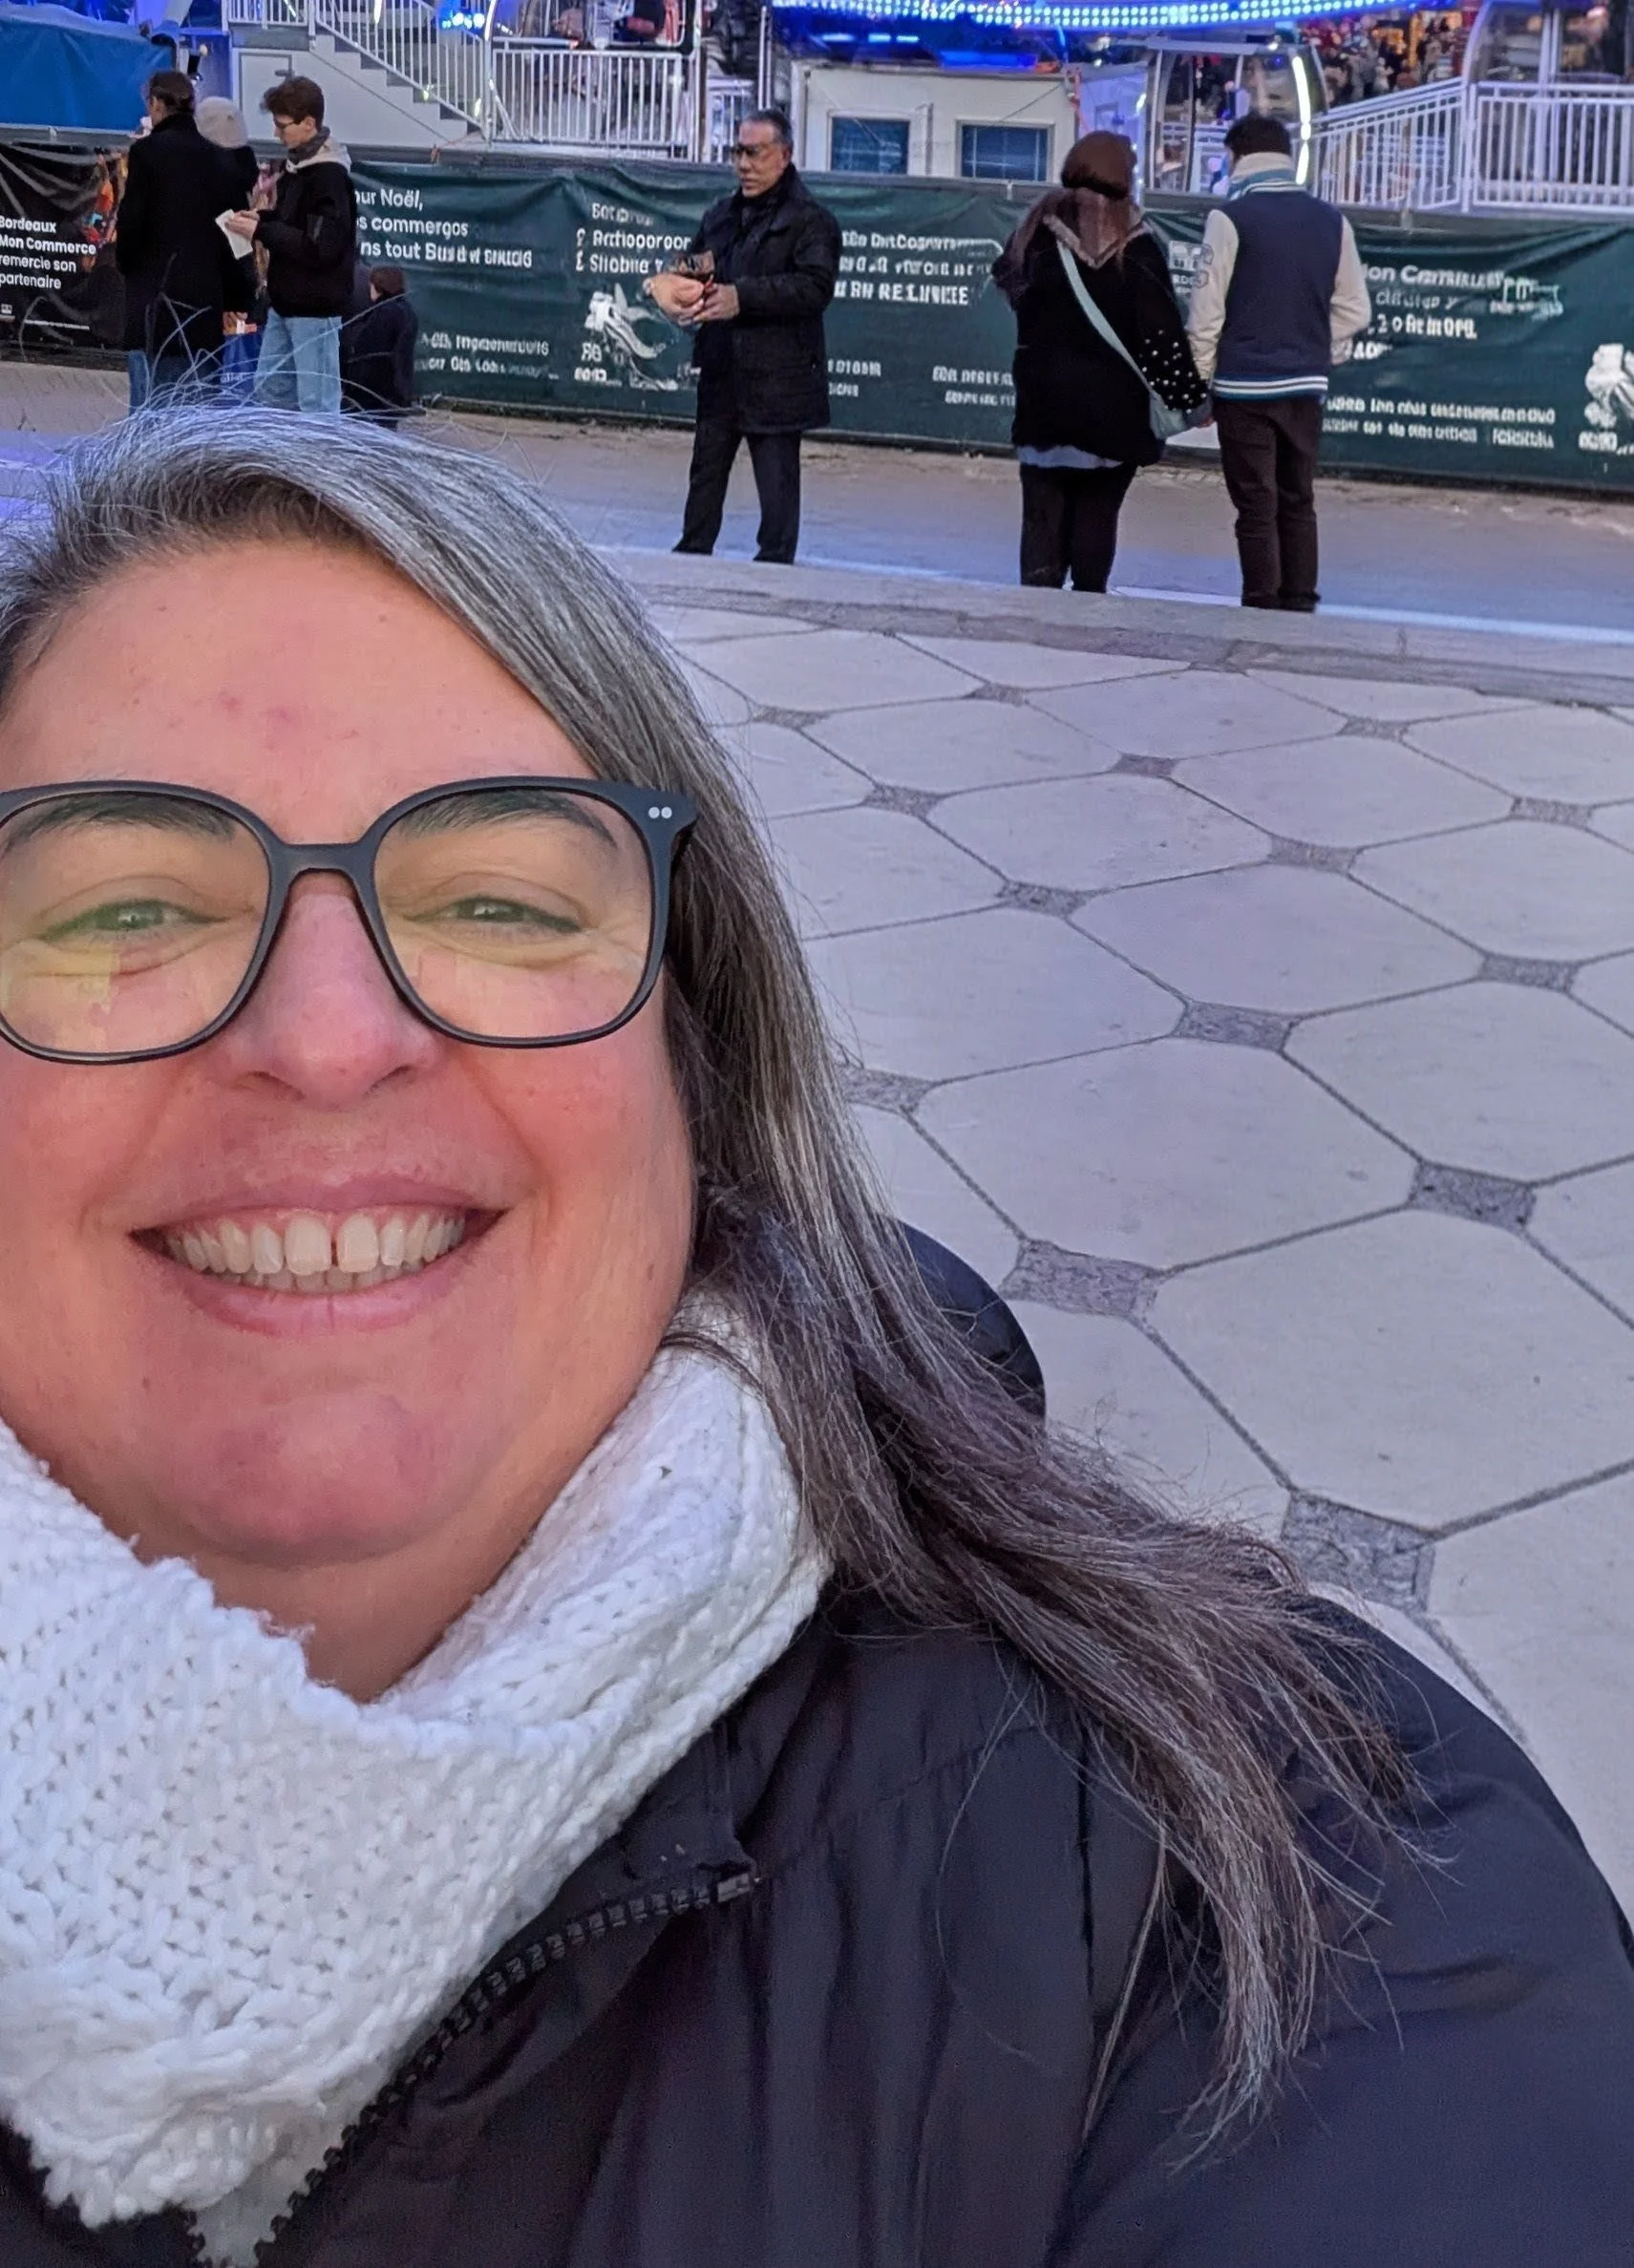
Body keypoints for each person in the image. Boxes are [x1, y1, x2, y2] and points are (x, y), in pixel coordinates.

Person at [0, 410, 1631, 2268]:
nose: (323, 1036)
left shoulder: (1286, 1877)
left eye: (502, 902)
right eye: (125, 900)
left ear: (695, 1064)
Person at [992, 132, 1207, 594]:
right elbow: (1160, 336)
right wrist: (1190, 400)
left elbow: (1008, 283)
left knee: (1041, 516)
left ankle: (1038, 607)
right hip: (1114, 412)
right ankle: (1087, 605)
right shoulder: (1138, 244)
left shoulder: (1034, 229)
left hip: (1043, 403)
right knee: (1098, 512)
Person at [1187, 113, 1371, 611]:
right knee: (1298, 499)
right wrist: (1314, 347)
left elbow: (1206, 314)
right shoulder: (1333, 220)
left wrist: (1200, 383)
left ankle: (1261, 603)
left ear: (1237, 157)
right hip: (1305, 386)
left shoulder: (1229, 218)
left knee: (1255, 505)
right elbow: (1356, 309)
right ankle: (1299, 601)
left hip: (1243, 388)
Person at [645, 109, 840, 566]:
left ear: (785, 155)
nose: (743, 164)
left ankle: (774, 575)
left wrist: (741, 298)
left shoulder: (812, 222)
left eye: (755, 153)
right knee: (704, 481)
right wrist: (662, 284)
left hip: (779, 380)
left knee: (776, 499)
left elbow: (814, 288)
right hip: (720, 371)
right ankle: (690, 560)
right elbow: (695, 263)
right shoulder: (722, 215)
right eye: (737, 152)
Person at [114, 70, 251, 405]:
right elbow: (234, 231)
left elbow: (132, 223)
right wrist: (238, 295)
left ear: (157, 104)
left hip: (155, 295)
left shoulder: (147, 154)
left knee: (152, 406)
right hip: (204, 299)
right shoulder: (218, 157)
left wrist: (126, 265)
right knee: (197, 406)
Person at [224, 76, 356, 415]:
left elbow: (320, 248)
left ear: (309, 123)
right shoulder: (298, 169)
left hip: (315, 307)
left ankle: (321, 466)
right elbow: (293, 226)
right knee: (270, 393)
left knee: (317, 403)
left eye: (282, 126)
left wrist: (262, 229)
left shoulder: (329, 177)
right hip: (286, 302)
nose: (276, 134)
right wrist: (262, 221)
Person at [341, 264, 419, 427]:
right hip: (397, 391)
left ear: (376, 287)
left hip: (374, 395)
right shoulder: (407, 311)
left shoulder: (383, 314)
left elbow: (367, 353)